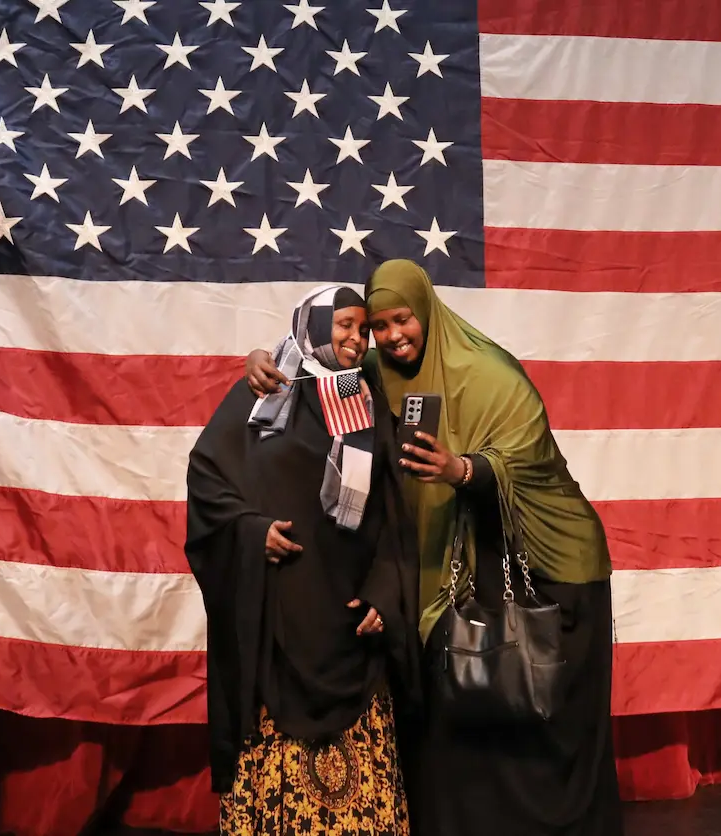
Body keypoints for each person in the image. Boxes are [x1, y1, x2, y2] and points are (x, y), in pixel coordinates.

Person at [244, 260, 624, 836]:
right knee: (466, 709)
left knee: (537, 711)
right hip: (449, 565)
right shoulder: (370, 371)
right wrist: (258, 362)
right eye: (380, 325)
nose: (394, 335)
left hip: (550, 564)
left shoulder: (491, 375)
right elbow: (312, 366)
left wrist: (464, 469)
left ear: (426, 311)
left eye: (404, 319)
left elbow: (531, 463)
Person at [186, 285, 422, 836]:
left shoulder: (365, 399)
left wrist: (387, 593)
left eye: (363, 330)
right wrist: (251, 532)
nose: (355, 339)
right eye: (342, 325)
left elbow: (395, 509)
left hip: (350, 624)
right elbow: (206, 478)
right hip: (282, 615)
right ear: (313, 325)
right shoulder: (267, 390)